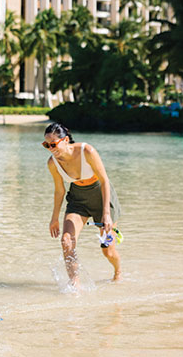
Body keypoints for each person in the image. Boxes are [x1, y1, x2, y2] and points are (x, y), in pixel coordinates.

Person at [43, 122, 121, 288]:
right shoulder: (52, 163)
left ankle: (118, 273)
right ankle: (75, 285)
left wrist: (106, 213)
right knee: (66, 240)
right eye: (46, 145)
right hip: (78, 199)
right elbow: (59, 191)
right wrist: (54, 218)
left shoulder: (87, 151)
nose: (51, 149)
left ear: (65, 140)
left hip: (102, 198)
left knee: (108, 250)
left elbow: (104, 180)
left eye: (53, 144)